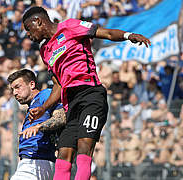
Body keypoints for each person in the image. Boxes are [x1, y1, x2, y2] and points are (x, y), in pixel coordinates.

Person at [22, 6, 151, 180]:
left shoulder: (70, 26)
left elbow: (107, 33)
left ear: (38, 21)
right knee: (63, 156)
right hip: (71, 104)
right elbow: (58, 85)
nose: (28, 36)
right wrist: (44, 108)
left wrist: (128, 36)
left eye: (29, 30)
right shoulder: (45, 51)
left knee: (84, 148)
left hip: (91, 94)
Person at [7, 69, 66, 180]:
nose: (14, 93)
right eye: (12, 89)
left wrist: (39, 127)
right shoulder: (32, 107)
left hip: (37, 160)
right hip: (33, 161)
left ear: (32, 84)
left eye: (17, 87)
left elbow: (61, 117)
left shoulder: (46, 95)